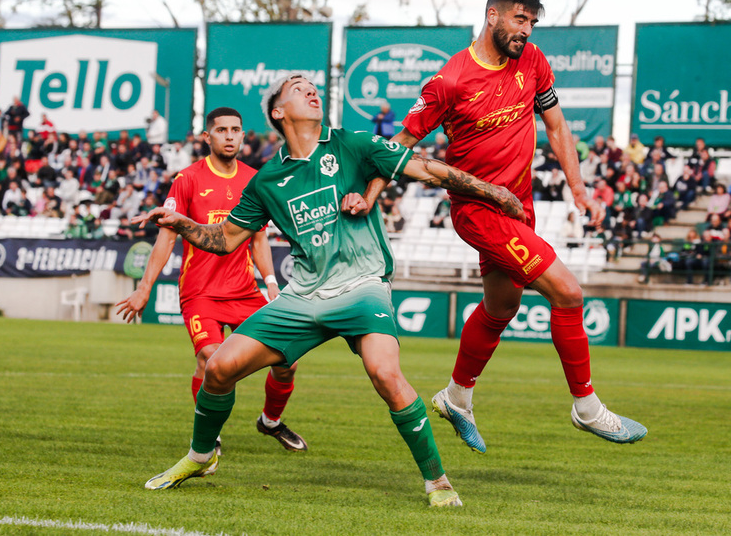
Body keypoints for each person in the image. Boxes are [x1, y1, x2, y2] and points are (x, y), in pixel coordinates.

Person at [133, 74, 527, 506]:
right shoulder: (267, 180)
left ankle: (438, 482)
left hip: (361, 287)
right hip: (302, 297)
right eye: (297, 88)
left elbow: (426, 169)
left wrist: (494, 192)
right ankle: (200, 455)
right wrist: (183, 224)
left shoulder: (353, 144)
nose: (311, 90)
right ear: (279, 112)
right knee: (218, 369)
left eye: (313, 86)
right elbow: (226, 238)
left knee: (386, 375)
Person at [361, 0, 646, 452]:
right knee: (569, 293)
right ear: (492, 14)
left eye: (532, 22)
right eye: (519, 20)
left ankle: (456, 397)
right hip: (478, 210)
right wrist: (371, 196)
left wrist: (578, 189)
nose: (526, 31)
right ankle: (588, 409)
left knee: (502, 308)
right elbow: (400, 144)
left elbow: (556, 126)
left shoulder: (532, 61)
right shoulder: (448, 81)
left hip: (522, 206)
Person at [115, 107, 308, 459]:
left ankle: (270, 421)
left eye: (236, 130)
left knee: (288, 360)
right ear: (208, 137)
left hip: (245, 290)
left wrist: (271, 281)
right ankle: (210, 436)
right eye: (222, 130)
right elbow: (166, 238)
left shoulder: (254, 179)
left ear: (243, 135)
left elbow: (259, 238)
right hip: (200, 292)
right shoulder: (187, 179)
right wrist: (144, 287)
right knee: (210, 358)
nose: (230, 136)